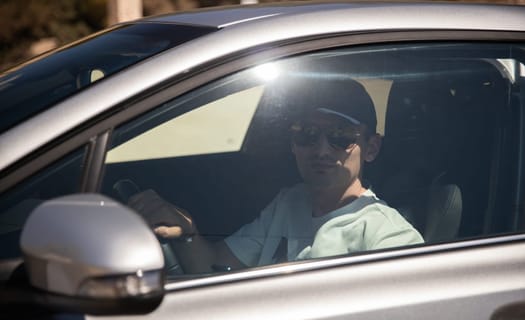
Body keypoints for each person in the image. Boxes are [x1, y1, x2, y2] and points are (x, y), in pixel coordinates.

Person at [128, 79, 424, 274]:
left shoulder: (389, 238)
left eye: (340, 136)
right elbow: (213, 270)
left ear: (371, 148)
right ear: (292, 145)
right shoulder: (290, 201)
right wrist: (187, 233)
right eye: (307, 135)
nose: (321, 149)